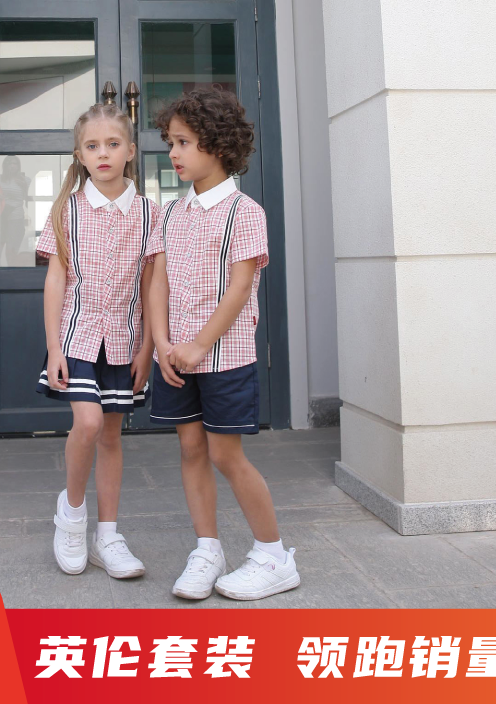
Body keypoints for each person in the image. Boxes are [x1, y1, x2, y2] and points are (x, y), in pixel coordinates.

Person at [146, 87, 299, 601]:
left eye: (183, 143)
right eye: (171, 142)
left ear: (217, 144)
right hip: (175, 356)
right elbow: (159, 282)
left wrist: (198, 345)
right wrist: (163, 343)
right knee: (190, 448)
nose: (173, 153)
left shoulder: (243, 212)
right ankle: (207, 549)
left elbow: (239, 288)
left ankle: (274, 556)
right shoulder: (171, 214)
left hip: (224, 357)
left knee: (225, 455)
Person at [35, 102, 158, 579]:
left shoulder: (149, 213)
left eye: (112, 144)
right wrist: (53, 346)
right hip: (77, 336)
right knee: (86, 423)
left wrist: (147, 346)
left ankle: (108, 536)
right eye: (92, 146)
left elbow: (151, 285)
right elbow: (56, 280)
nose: (102, 153)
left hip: (125, 340)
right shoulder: (66, 211)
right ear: (79, 155)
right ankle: (71, 516)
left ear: (130, 150)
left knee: (111, 434)